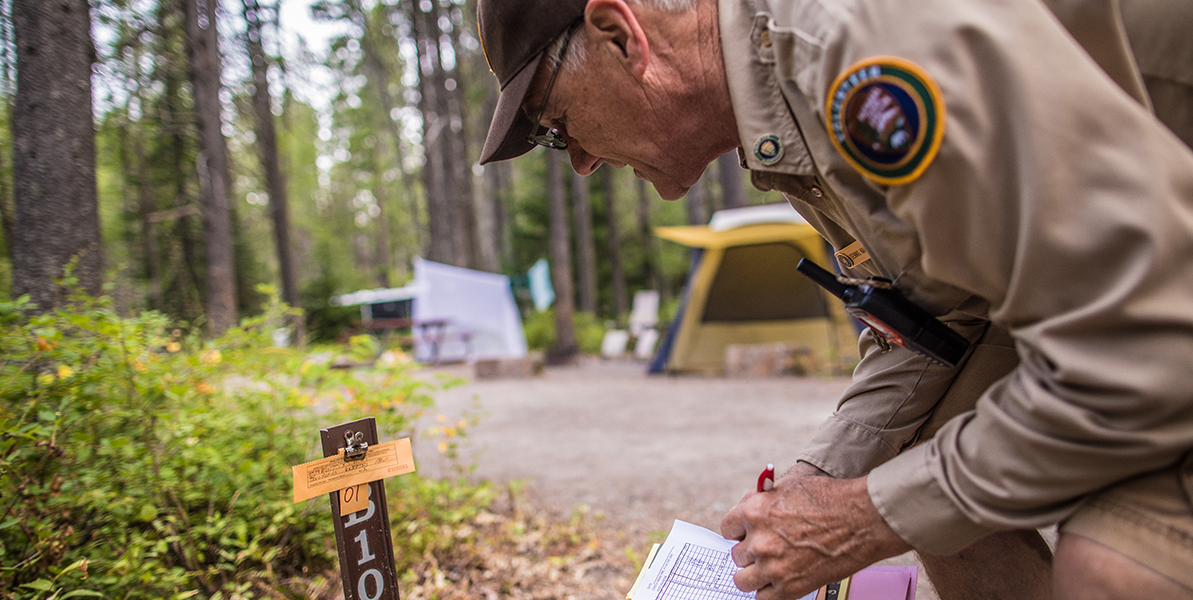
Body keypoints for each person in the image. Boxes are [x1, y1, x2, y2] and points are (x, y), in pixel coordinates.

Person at [475, 0, 1193, 597]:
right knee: (915, 473)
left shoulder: (854, 54)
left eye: (554, 124)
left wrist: (864, 517)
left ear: (620, 36)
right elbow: (941, 315)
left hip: (1155, 302)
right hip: (1131, 281)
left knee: (1119, 568)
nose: (580, 161)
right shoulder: (785, 108)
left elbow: (1140, 346)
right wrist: (823, 481)